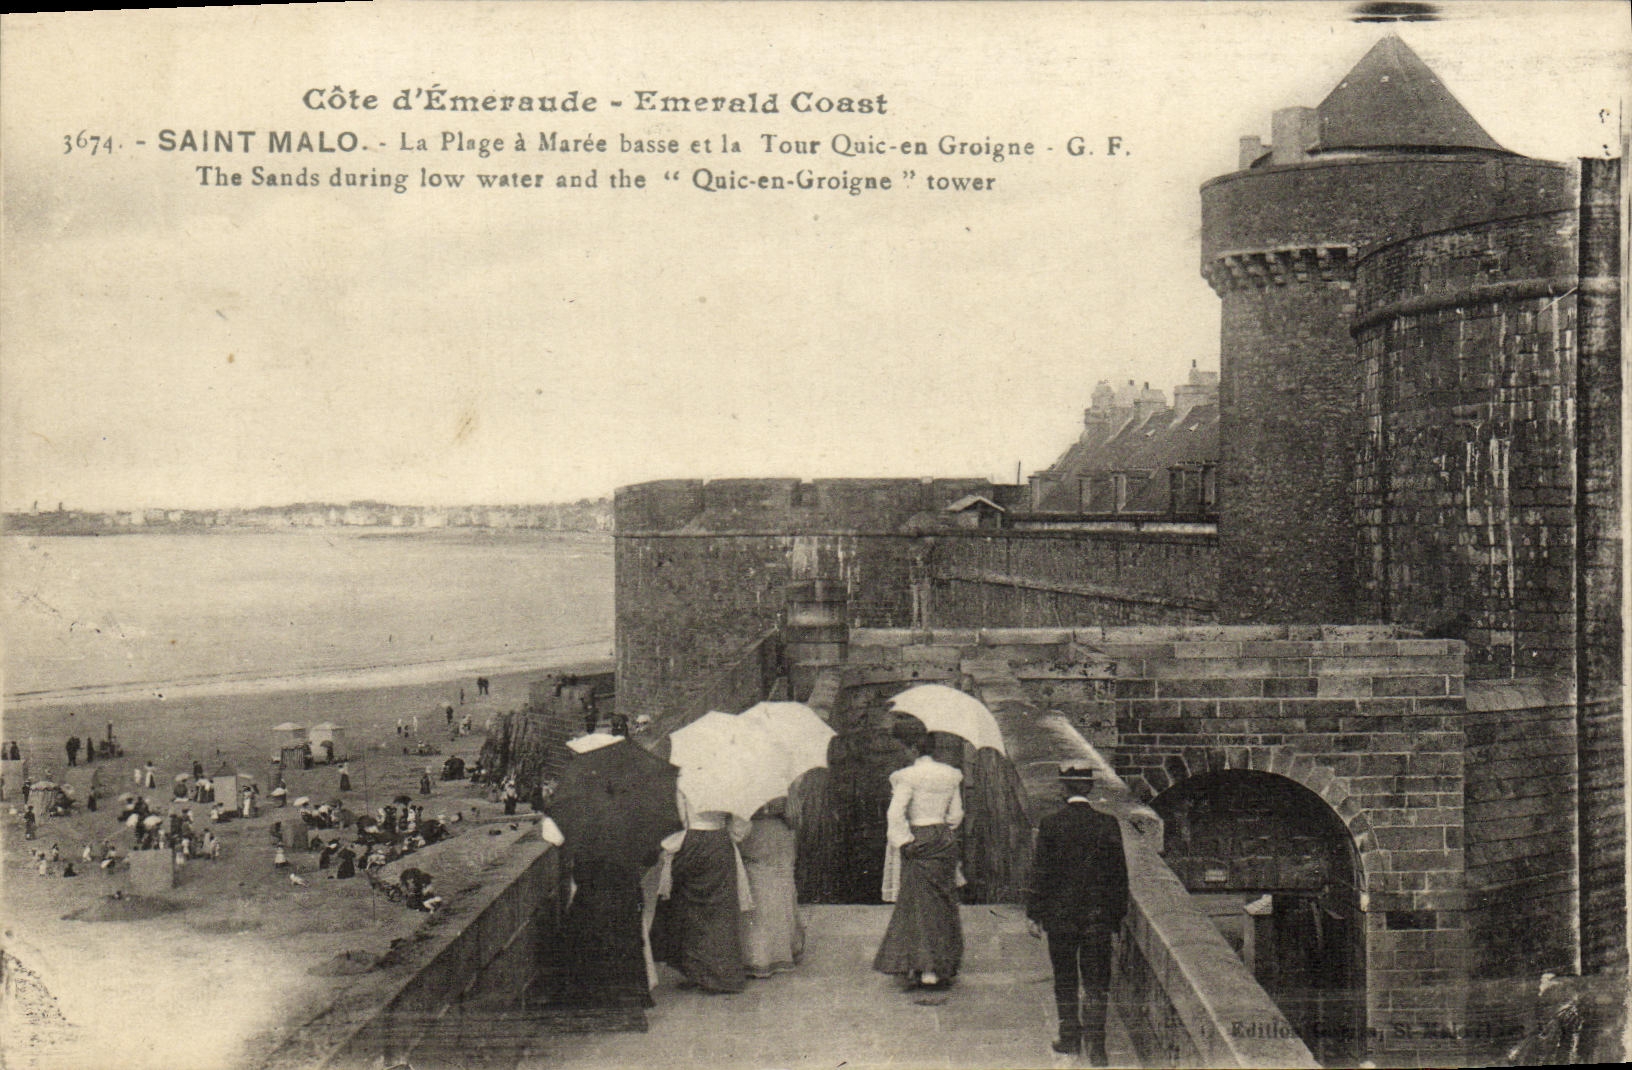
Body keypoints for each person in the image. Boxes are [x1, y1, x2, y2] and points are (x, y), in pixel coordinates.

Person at [1026, 765, 1128, 1065]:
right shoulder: (1108, 824)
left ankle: (1069, 1037)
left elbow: (1041, 873)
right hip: (1097, 918)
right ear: (1091, 789)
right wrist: (1116, 917)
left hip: (1060, 918)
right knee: (1097, 981)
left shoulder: (1051, 824)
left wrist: (1034, 914)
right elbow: (1118, 877)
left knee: (1066, 977)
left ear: (1063, 788)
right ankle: (1097, 1048)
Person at [873, 729, 965, 989]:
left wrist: (904, 841)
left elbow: (895, 813)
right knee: (943, 900)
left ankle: (924, 967)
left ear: (913, 749)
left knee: (919, 902)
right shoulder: (951, 775)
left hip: (919, 836)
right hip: (943, 838)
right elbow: (956, 815)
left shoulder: (907, 776)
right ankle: (941, 963)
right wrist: (942, 829)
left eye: (906, 748)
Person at [650, 804, 751, 994]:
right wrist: (731, 834)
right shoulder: (728, 779)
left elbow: (677, 816)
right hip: (718, 841)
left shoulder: (684, 779)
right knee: (720, 909)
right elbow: (740, 820)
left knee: (687, 907)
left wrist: (669, 846)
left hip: (689, 841)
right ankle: (720, 975)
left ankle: (696, 971)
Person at [738, 795, 804, 978]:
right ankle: (779, 951)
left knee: (761, 890)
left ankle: (759, 956)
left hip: (757, 833)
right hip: (774, 834)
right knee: (776, 890)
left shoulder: (745, 781)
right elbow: (794, 818)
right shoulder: (780, 783)